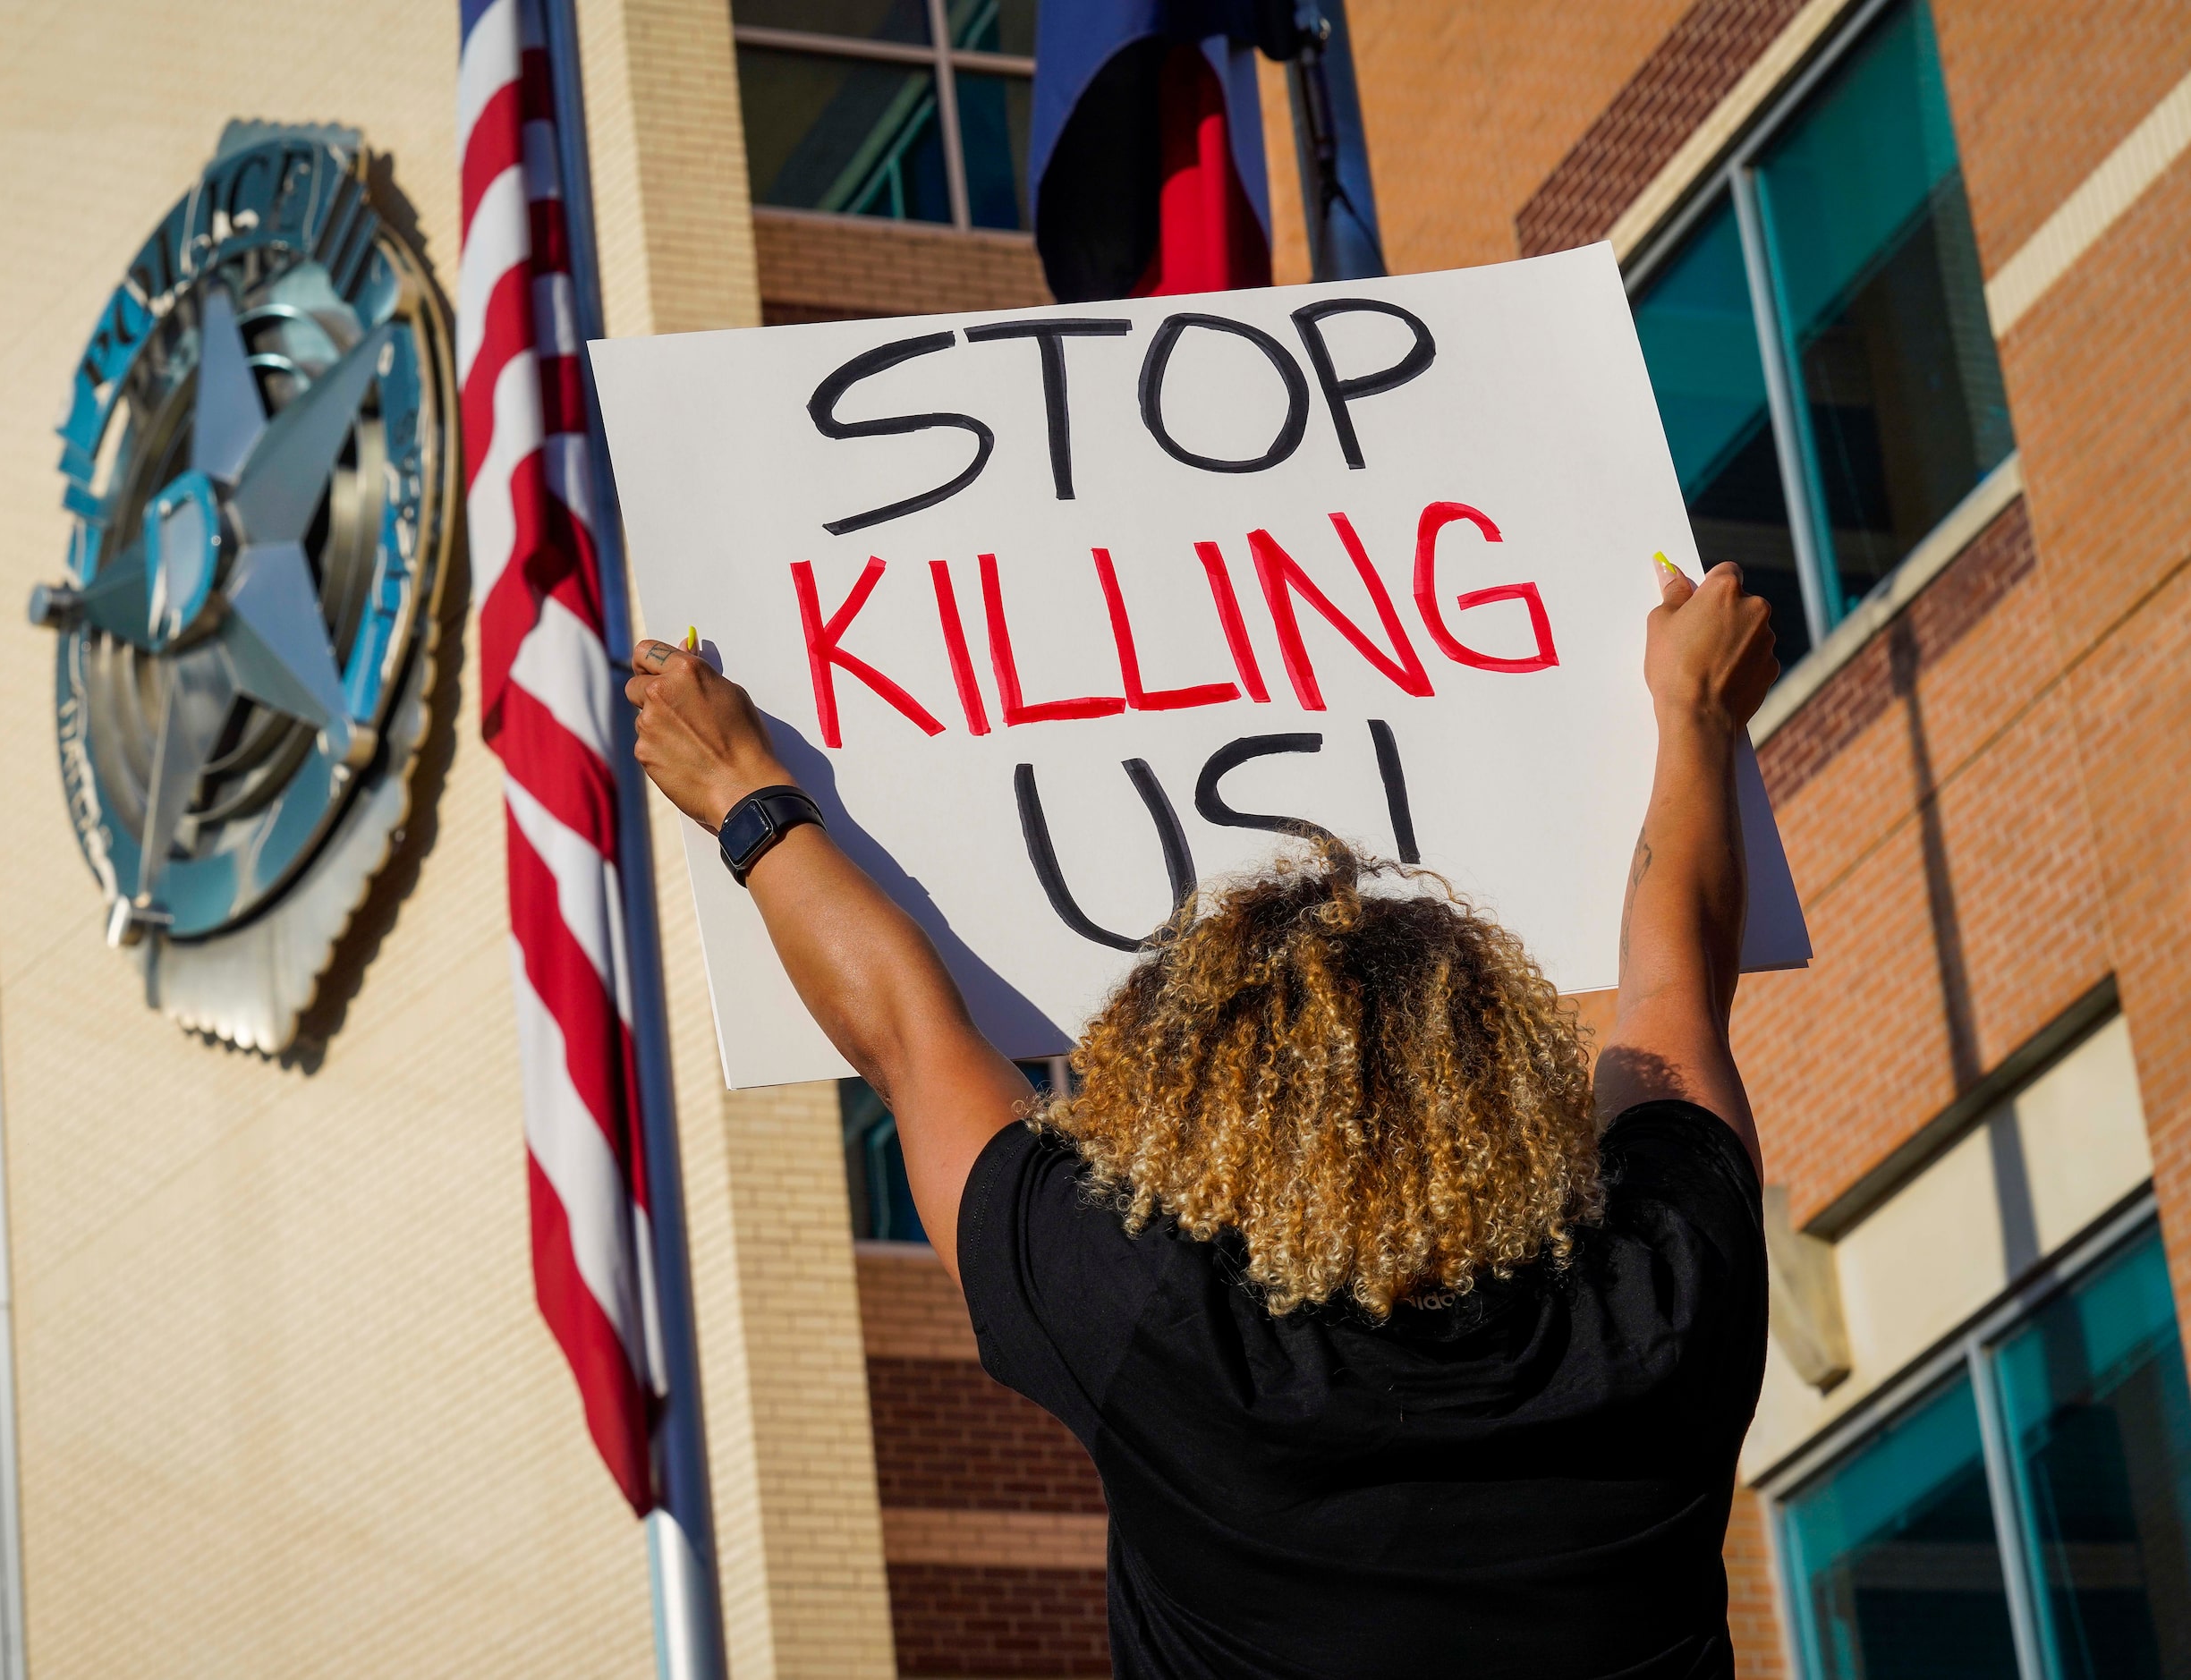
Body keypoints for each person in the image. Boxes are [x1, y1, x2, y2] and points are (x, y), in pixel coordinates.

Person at [624, 558, 1780, 1679]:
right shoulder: (1661, 1305)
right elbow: (1677, 983)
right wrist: (1693, 711)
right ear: (1503, 1082)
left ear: (1201, 1115)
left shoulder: (1169, 1338)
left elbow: (910, 1044)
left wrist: (743, 790)